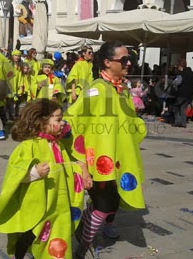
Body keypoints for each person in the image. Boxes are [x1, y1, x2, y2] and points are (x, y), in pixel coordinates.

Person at [64, 41, 146, 258]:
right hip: (98, 163)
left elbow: (129, 123)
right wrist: (81, 163)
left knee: (113, 200)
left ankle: (89, 232)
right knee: (105, 204)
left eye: (130, 59)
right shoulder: (97, 90)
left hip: (119, 160)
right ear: (108, 63)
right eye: (124, 60)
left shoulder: (122, 89)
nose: (129, 63)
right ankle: (81, 244)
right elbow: (73, 121)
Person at [0, 99, 90, 259]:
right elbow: (14, 174)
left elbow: (65, 167)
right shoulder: (28, 146)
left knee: (54, 236)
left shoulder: (58, 144)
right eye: (58, 119)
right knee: (30, 234)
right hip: (35, 204)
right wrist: (34, 172)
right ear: (41, 122)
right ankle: (20, 254)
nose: (63, 123)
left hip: (57, 203)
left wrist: (79, 170)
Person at [172, 57, 193, 128]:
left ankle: (178, 121)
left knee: (175, 107)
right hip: (189, 94)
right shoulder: (190, 72)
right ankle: (183, 123)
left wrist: (173, 83)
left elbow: (178, 82)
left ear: (180, 66)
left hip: (181, 93)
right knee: (183, 108)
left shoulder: (181, 73)